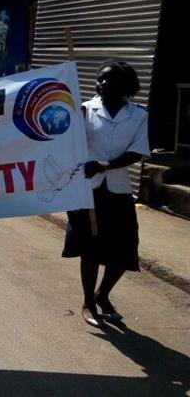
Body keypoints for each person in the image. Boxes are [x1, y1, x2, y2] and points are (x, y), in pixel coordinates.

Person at [63, 60, 150, 328]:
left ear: (125, 84)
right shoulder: (84, 110)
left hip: (119, 191)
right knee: (89, 249)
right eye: (100, 78)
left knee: (124, 250)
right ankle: (88, 302)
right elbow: (67, 142)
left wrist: (105, 165)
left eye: (109, 79)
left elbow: (137, 151)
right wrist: (72, 122)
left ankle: (103, 294)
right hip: (87, 191)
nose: (101, 83)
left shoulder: (138, 115)